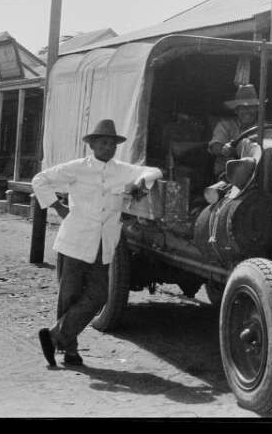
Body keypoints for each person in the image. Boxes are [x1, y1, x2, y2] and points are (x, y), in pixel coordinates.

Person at [33, 119, 161, 368]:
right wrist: (57, 206)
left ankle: (54, 336)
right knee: (69, 295)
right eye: (102, 142)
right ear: (91, 145)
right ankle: (70, 352)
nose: (107, 147)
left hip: (104, 242)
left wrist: (140, 182)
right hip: (76, 239)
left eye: (112, 143)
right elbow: (40, 179)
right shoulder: (77, 168)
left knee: (99, 294)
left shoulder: (122, 170)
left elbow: (154, 171)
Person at [208, 84, 260, 177]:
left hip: (258, 174)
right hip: (228, 175)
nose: (247, 111)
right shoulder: (225, 125)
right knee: (214, 191)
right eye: (243, 108)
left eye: (251, 107)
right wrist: (225, 149)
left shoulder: (265, 127)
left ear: (257, 109)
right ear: (236, 110)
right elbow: (215, 146)